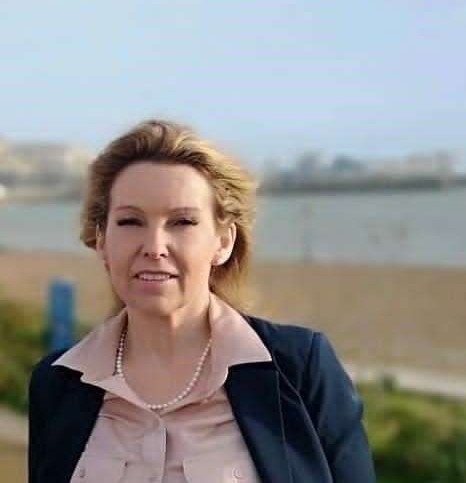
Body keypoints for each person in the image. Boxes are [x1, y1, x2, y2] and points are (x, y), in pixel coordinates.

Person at [28, 120, 375, 483]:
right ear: (101, 240)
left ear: (223, 241)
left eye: (182, 222)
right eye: (131, 221)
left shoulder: (299, 370)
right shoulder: (56, 385)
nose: (154, 247)